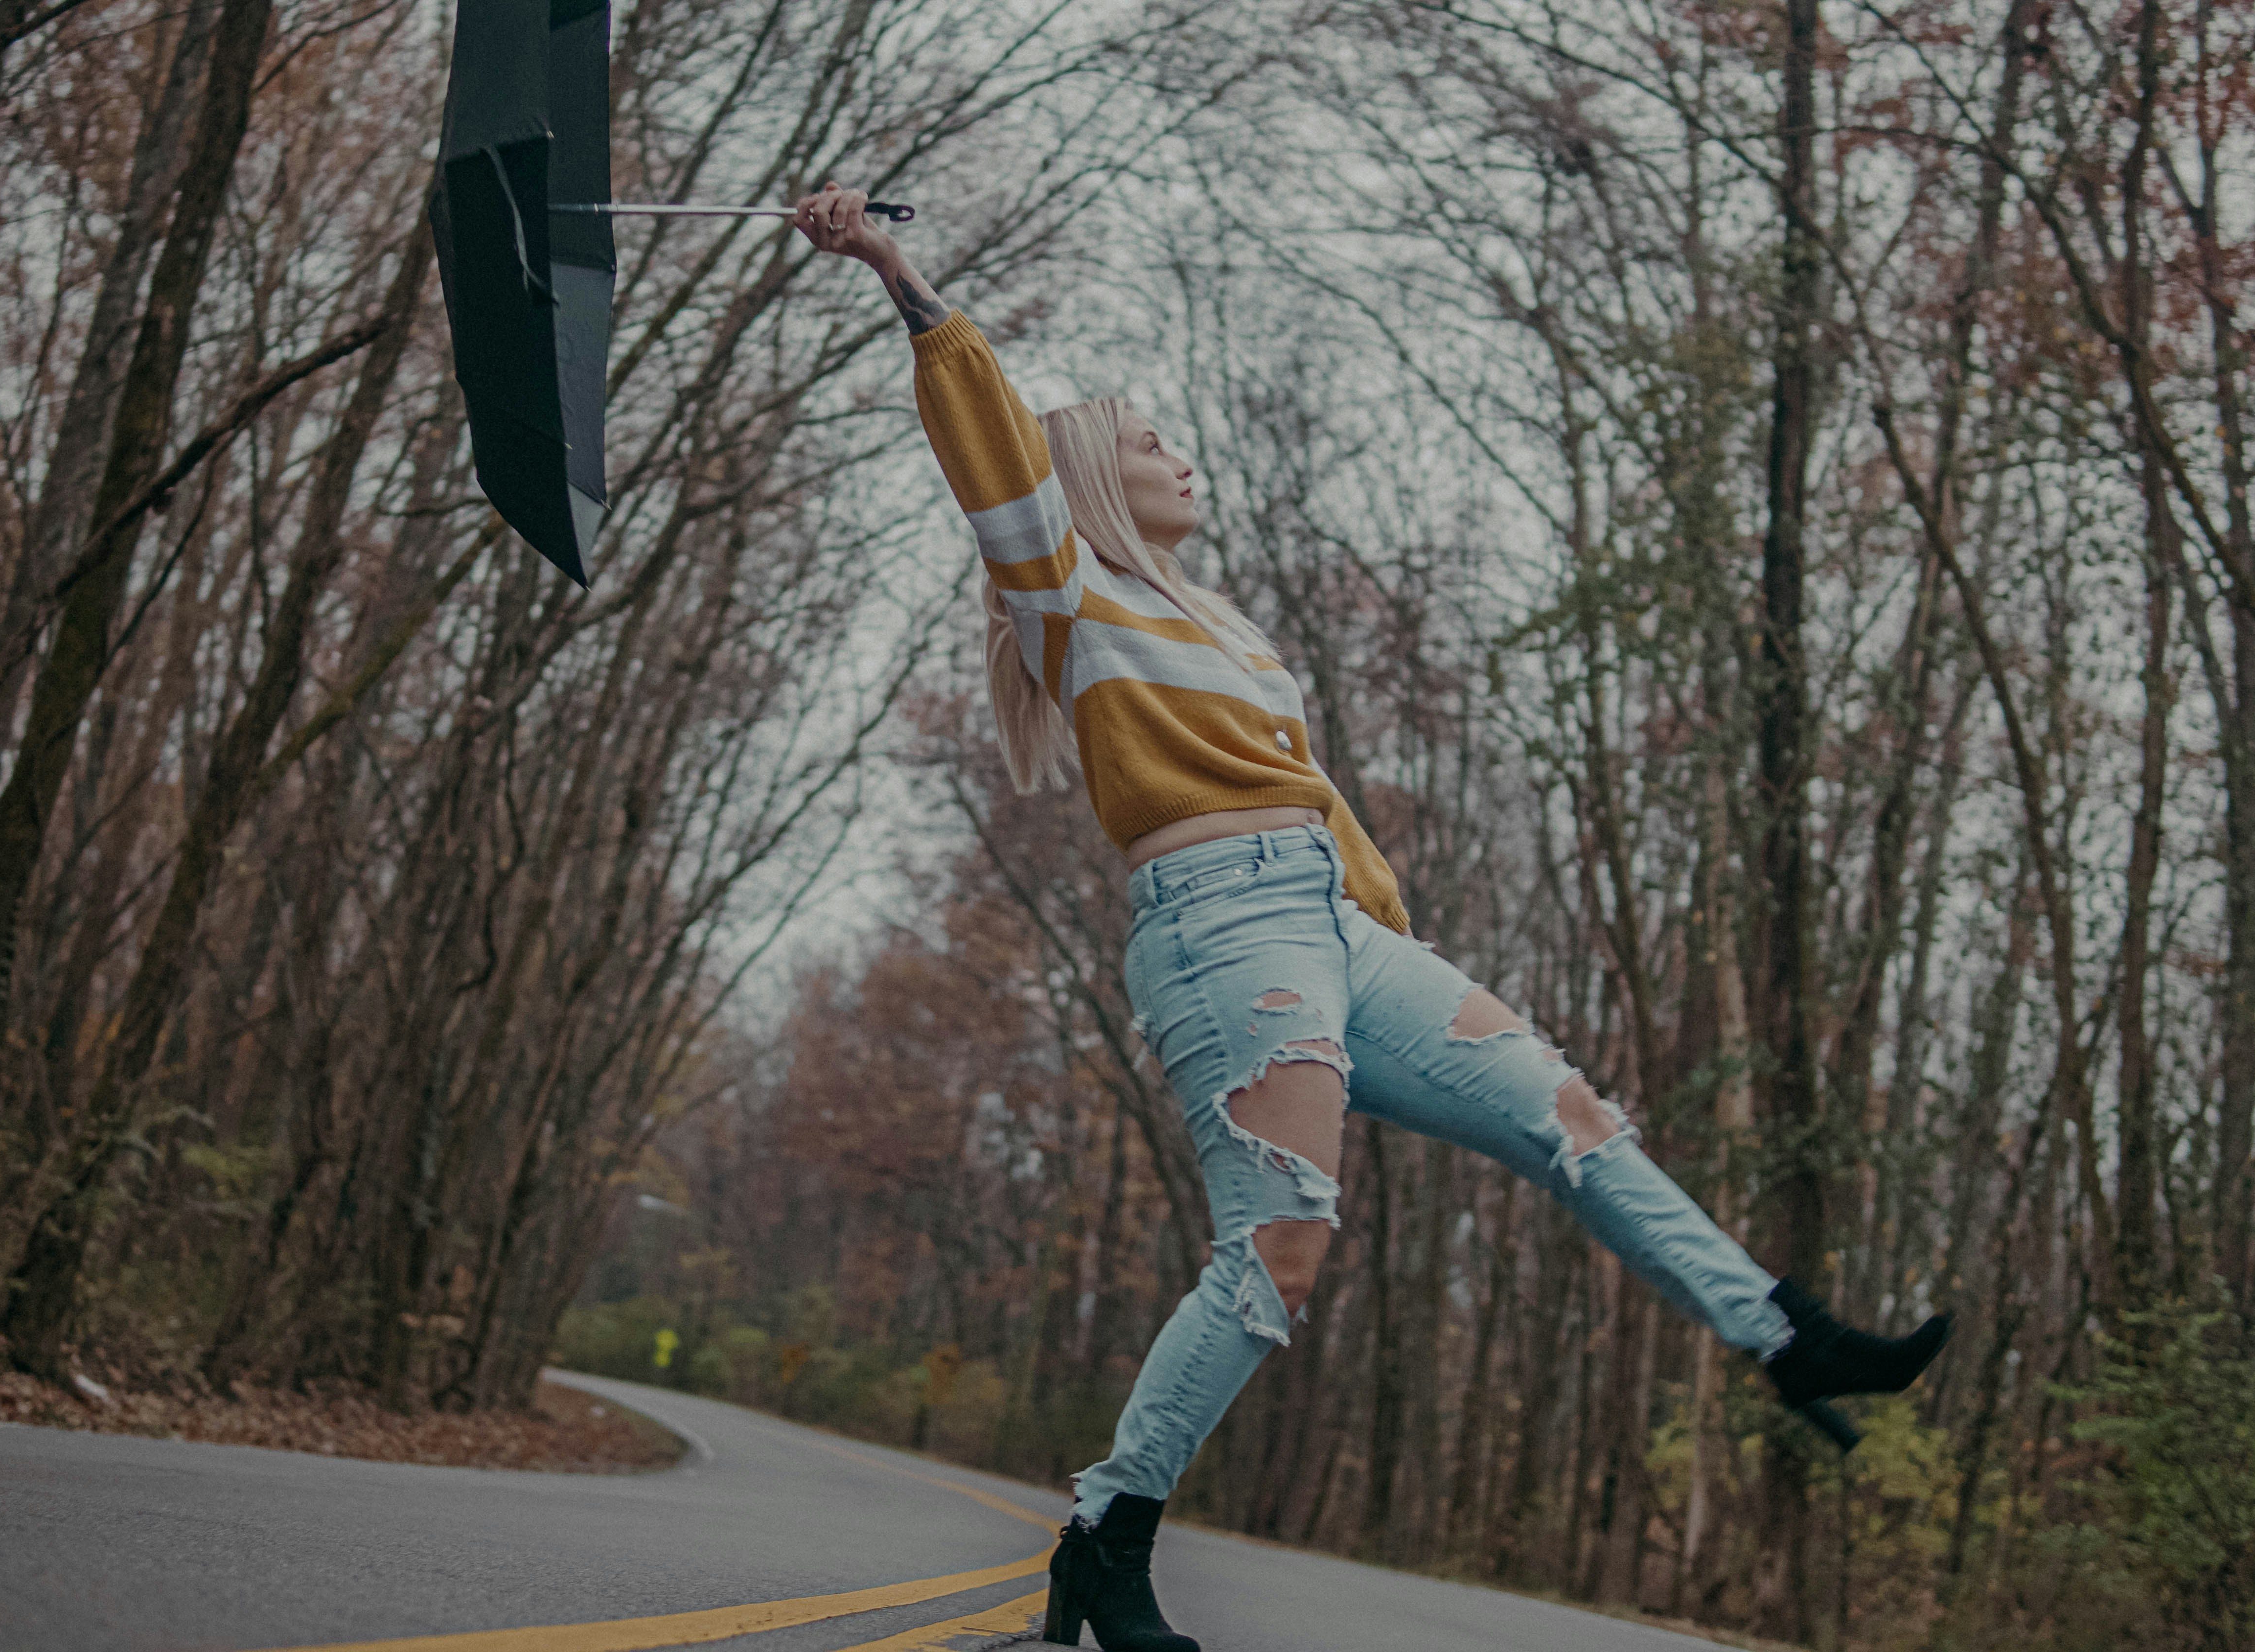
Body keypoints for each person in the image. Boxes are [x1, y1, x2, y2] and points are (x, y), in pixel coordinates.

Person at [792, 184, 1950, 1652]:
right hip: (1221, 927)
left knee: (1573, 1114)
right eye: (1154, 441)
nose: (1181, 456)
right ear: (1091, 476)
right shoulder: (1064, 586)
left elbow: (1325, 812)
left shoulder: (1235, 631)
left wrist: (1385, 941)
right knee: (1282, 1244)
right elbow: (985, 443)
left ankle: (1788, 1338)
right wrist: (896, 270)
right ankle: (1108, 1534)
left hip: (1332, 929)